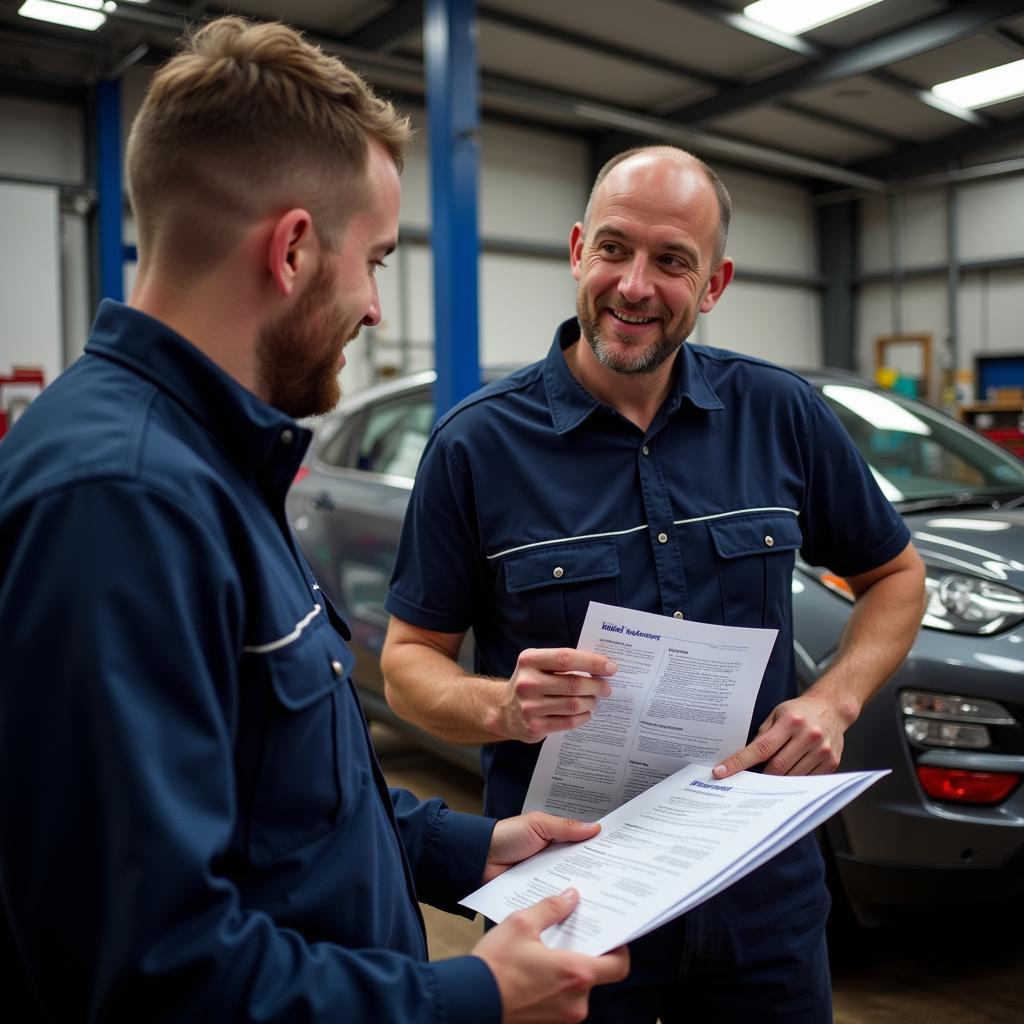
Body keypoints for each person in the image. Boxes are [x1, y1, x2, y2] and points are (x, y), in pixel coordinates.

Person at [0, 18, 629, 1023]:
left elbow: (282, 807)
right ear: (292, 248)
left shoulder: (205, 464)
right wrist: (472, 995)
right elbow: (148, 970)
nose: (377, 307)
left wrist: (473, 846)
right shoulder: (122, 503)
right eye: (375, 261)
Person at [382, 145, 926, 1022]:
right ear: (575, 251)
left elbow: (896, 576)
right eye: (613, 248)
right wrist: (501, 708)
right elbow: (409, 660)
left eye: (672, 261)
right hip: (570, 904)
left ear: (713, 285)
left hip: (762, 896)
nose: (634, 286)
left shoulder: (780, 414)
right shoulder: (476, 447)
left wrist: (834, 702)